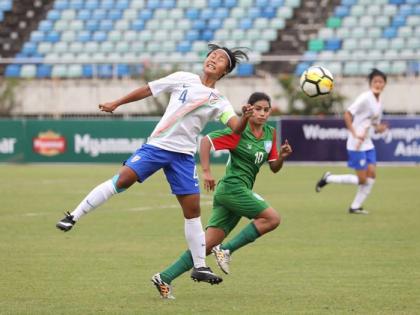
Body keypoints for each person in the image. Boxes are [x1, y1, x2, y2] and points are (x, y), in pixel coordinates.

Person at [55, 44, 254, 284]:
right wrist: (116, 103)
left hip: (182, 156)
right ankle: (73, 216)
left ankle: (200, 267)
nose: (213, 58)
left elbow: (236, 128)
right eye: (212, 54)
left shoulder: (219, 101)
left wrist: (244, 117)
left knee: (192, 212)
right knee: (123, 179)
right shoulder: (184, 78)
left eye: (220, 58)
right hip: (158, 146)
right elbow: (148, 90)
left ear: (225, 71)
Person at [151, 92, 293, 299]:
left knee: (204, 246)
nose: (262, 113)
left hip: (236, 193)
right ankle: (225, 250)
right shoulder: (239, 132)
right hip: (232, 188)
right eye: (258, 109)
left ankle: (164, 277)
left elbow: (274, 168)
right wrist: (207, 172)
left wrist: (282, 157)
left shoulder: (270, 133)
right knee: (272, 218)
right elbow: (206, 141)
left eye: (266, 109)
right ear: (250, 109)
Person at [315, 68, 388, 214]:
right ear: (370, 83)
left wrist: (380, 128)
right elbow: (348, 114)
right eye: (375, 81)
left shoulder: (379, 102)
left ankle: (355, 206)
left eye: (381, 82)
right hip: (356, 144)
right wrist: (354, 134)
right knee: (362, 180)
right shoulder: (365, 97)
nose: (378, 84)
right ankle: (329, 178)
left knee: (372, 174)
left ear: (385, 84)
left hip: (367, 143)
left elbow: (373, 123)